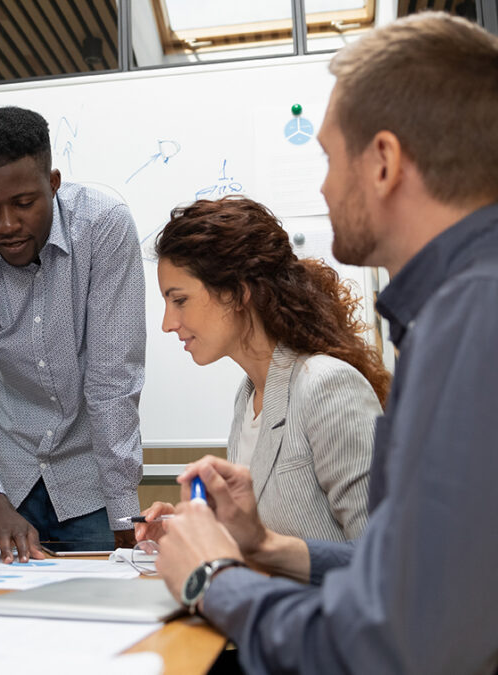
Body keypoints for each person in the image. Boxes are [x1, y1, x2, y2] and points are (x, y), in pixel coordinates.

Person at [152, 13, 498, 673]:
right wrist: (260, 545)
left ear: (385, 162)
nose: (321, 187)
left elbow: (396, 639)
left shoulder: (470, 315)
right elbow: (404, 577)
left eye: (329, 158)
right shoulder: (456, 309)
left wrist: (211, 578)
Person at [0, 106, 145, 563]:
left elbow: (112, 383)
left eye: (24, 203)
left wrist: (126, 520)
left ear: (54, 183)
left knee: (99, 623)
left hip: (90, 484)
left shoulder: (104, 228)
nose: (5, 225)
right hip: (2, 481)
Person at [133, 196, 387, 544]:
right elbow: (264, 527)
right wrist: (194, 527)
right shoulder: (249, 396)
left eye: (179, 300)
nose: (167, 323)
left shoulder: (326, 384)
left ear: (238, 293)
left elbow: (383, 557)